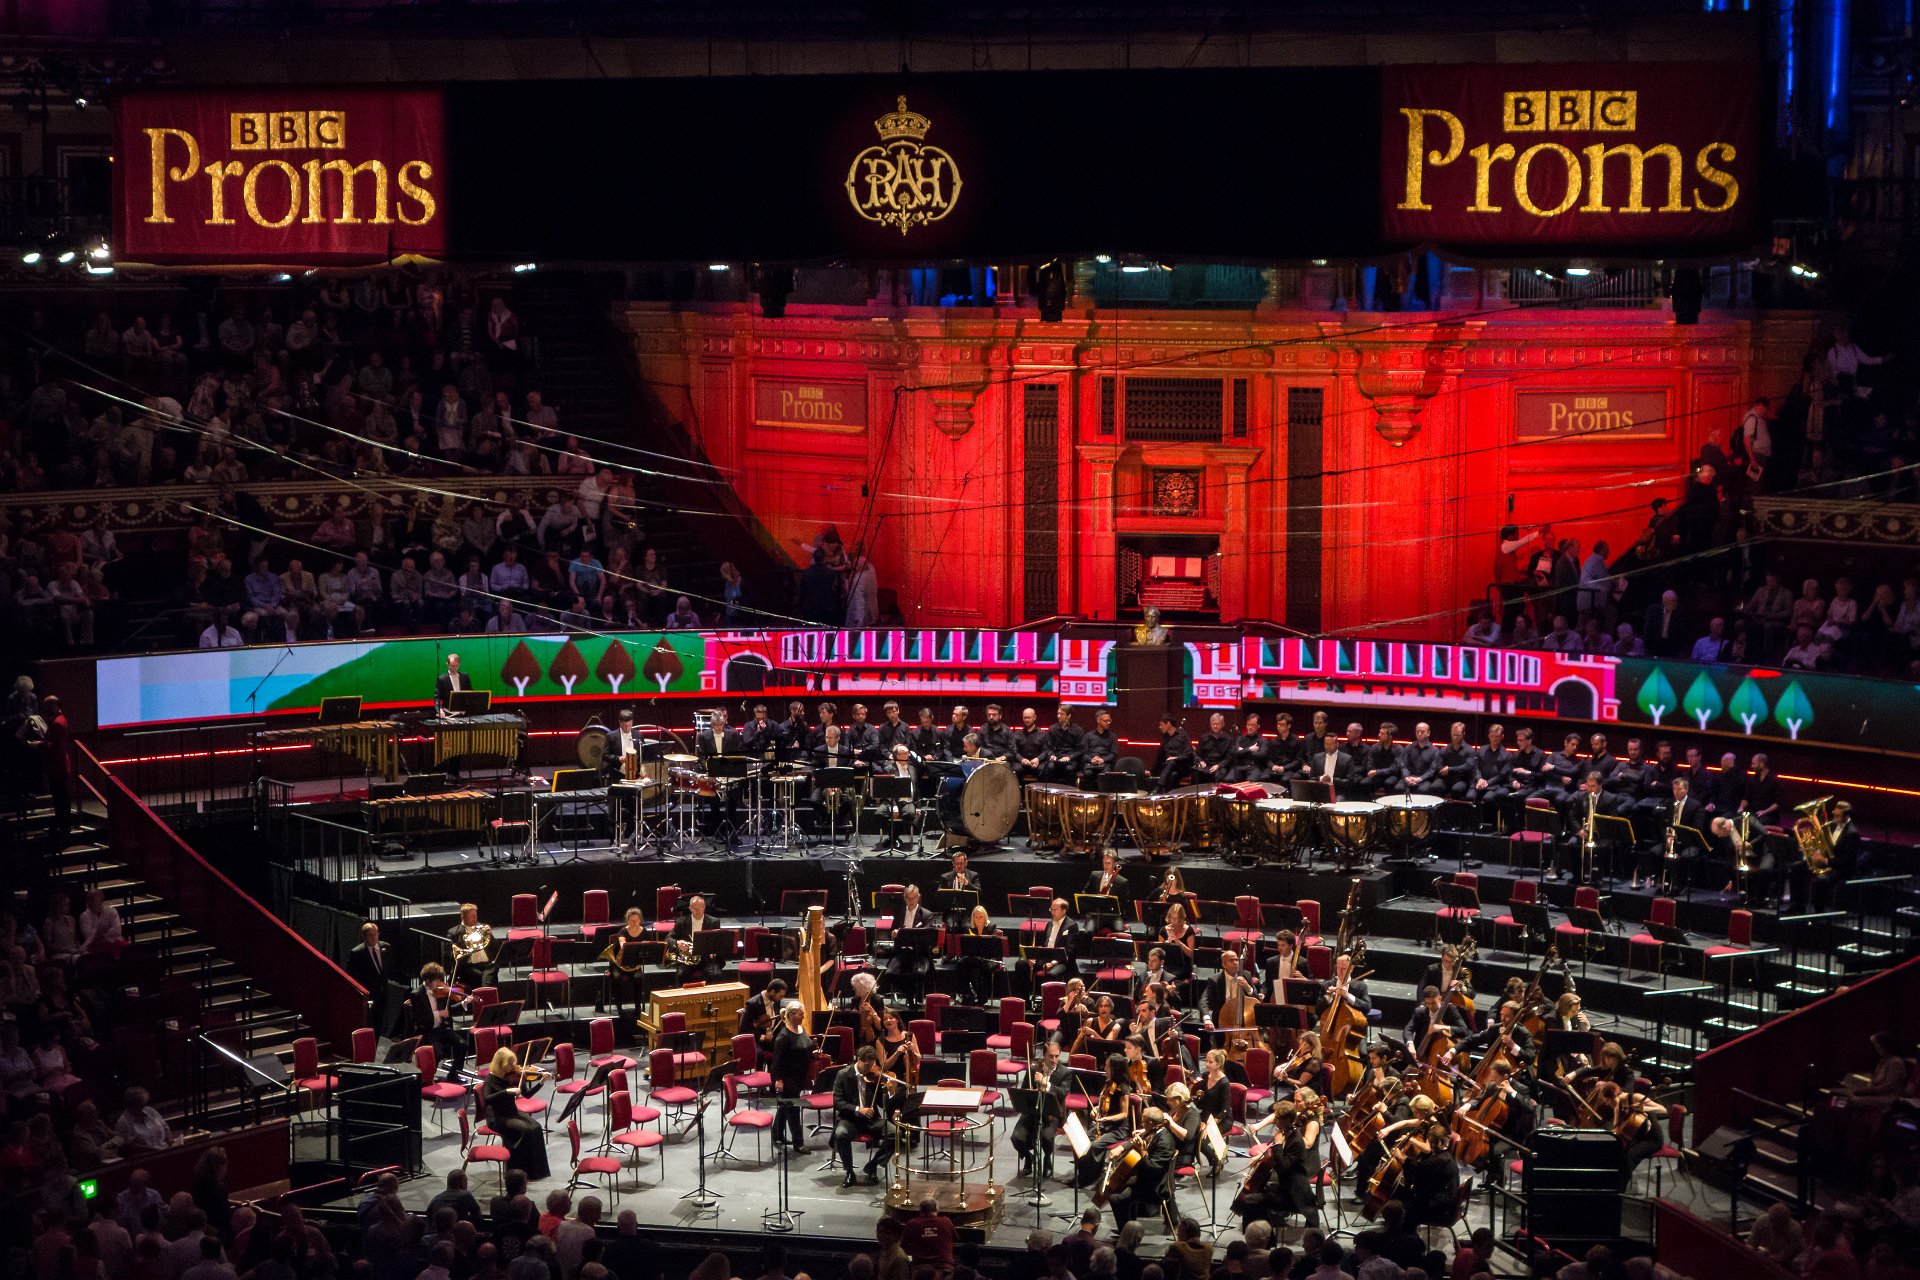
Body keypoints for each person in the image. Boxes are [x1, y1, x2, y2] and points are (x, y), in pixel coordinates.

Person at [482, 1047, 550, 1180]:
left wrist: (541, 1082)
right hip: (497, 1117)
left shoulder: (514, 1076)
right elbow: (487, 1099)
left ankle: (536, 1171)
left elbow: (527, 1094)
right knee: (526, 1130)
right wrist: (506, 1092)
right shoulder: (490, 1078)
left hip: (512, 1112)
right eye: (509, 1064)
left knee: (536, 1127)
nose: (513, 1067)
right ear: (500, 1064)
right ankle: (517, 1170)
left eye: (513, 1063)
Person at [832, 1047, 897, 1186]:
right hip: (849, 1119)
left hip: (871, 1120)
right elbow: (838, 1102)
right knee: (840, 1134)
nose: (869, 1068)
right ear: (859, 1060)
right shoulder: (843, 1075)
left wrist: (889, 1092)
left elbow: (881, 1104)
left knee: (895, 1133)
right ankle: (849, 1172)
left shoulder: (874, 1078)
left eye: (872, 1065)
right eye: (867, 1065)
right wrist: (858, 1109)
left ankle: (873, 1165)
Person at [767, 1001, 812, 1153]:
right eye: (801, 1014)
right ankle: (798, 1143)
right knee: (793, 1109)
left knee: (785, 1105)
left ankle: (777, 1134)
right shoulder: (783, 1037)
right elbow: (776, 1062)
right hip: (786, 1078)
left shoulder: (800, 1029)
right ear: (792, 1015)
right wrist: (778, 1080)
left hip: (799, 1076)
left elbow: (805, 1046)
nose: (803, 1016)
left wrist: (814, 1052)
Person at [345, 921, 395, 1036]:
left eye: (375, 934)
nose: (374, 937)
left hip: (383, 993)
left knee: (381, 1022)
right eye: (370, 935)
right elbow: (351, 975)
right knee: (369, 1023)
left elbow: (389, 967)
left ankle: (377, 1042)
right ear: (364, 936)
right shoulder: (357, 953)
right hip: (368, 994)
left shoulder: (386, 947)